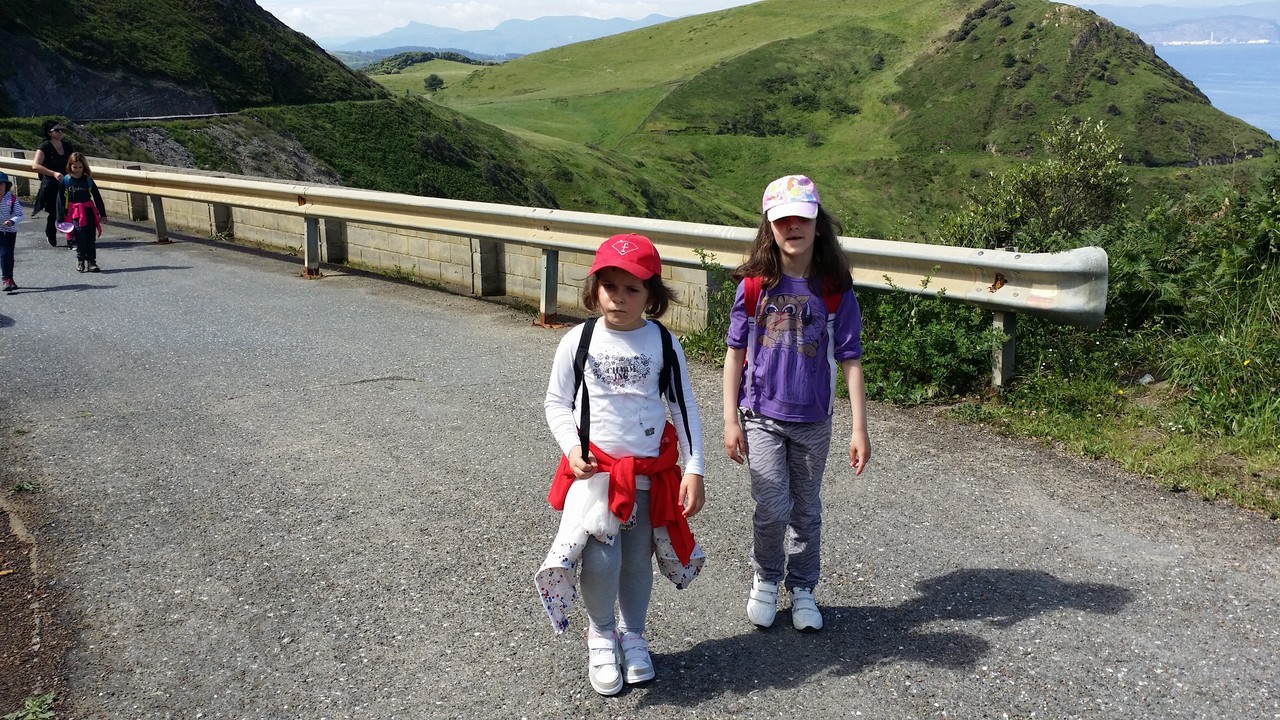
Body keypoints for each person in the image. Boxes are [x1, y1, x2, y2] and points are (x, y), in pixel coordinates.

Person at [537, 233, 707, 697]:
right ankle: (600, 634)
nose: (619, 297)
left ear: (652, 295)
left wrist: (695, 467)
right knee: (601, 558)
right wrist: (572, 449)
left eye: (633, 289)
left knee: (635, 559)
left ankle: (633, 635)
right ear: (595, 288)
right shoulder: (579, 340)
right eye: (609, 286)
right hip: (596, 475)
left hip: (649, 474)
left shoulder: (664, 343)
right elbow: (556, 402)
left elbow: (683, 406)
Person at [721, 174, 871, 633]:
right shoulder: (754, 286)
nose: (792, 227)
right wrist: (730, 419)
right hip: (760, 415)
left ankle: (803, 586)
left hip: (813, 420)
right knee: (771, 507)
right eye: (782, 219)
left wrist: (859, 428)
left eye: (802, 218)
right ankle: (766, 577)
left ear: (818, 224)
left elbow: (850, 359)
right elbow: (734, 354)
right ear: (769, 227)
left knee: (806, 510)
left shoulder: (835, 289)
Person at [56, 152, 107, 273]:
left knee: (90, 236)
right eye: (75, 167)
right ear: (70, 166)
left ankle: (92, 262)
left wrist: (103, 214)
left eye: (80, 167)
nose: (77, 170)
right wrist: (60, 216)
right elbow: (60, 199)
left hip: (89, 211)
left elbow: (97, 196)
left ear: (84, 167)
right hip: (75, 212)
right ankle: (80, 260)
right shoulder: (66, 180)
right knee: (80, 235)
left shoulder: (88, 180)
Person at [31, 119, 76, 247]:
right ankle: (50, 232)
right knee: (55, 211)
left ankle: (71, 238)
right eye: (57, 130)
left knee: (70, 210)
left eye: (61, 130)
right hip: (51, 183)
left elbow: (74, 161)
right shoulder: (44, 146)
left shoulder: (67, 145)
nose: (60, 132)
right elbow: (35, 165)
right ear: (49, 133)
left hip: (66, 183)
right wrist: (53, 173)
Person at [1, 172, 23, 292]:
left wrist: (12, 221)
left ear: (6, 185)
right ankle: (6, 279)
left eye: (1, 184)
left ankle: (10, 278)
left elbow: (20, 214)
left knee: (9, 255)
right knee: (4, 253)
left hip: (11, 230)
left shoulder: (12, 198)